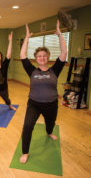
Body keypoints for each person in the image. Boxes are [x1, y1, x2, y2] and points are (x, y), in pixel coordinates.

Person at [19, 21, 67, 163]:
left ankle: (49, 132)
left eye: (44, 55)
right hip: (34, 104)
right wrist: (27, 37)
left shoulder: (55, 69)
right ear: (36, 58)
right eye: (39, 56)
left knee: (50, 123)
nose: (42, 58)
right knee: (27, 126)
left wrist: (59, 35)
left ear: (48, 57)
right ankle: (25, 152)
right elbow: (22, 55)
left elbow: (64, 52)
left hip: (51, 104)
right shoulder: (32, 70)